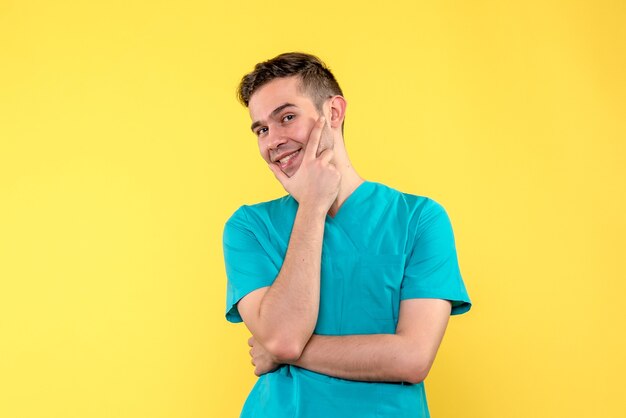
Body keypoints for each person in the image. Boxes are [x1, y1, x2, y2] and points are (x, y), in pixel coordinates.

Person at [222, 52, 472, 417]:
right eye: (261, 129)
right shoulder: (249, 227)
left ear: (334, 113)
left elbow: (413, 358)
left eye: (287, 118)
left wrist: (284, 352)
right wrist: (312, 206)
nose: (272, 140)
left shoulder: (419, 219)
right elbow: (284, 336)